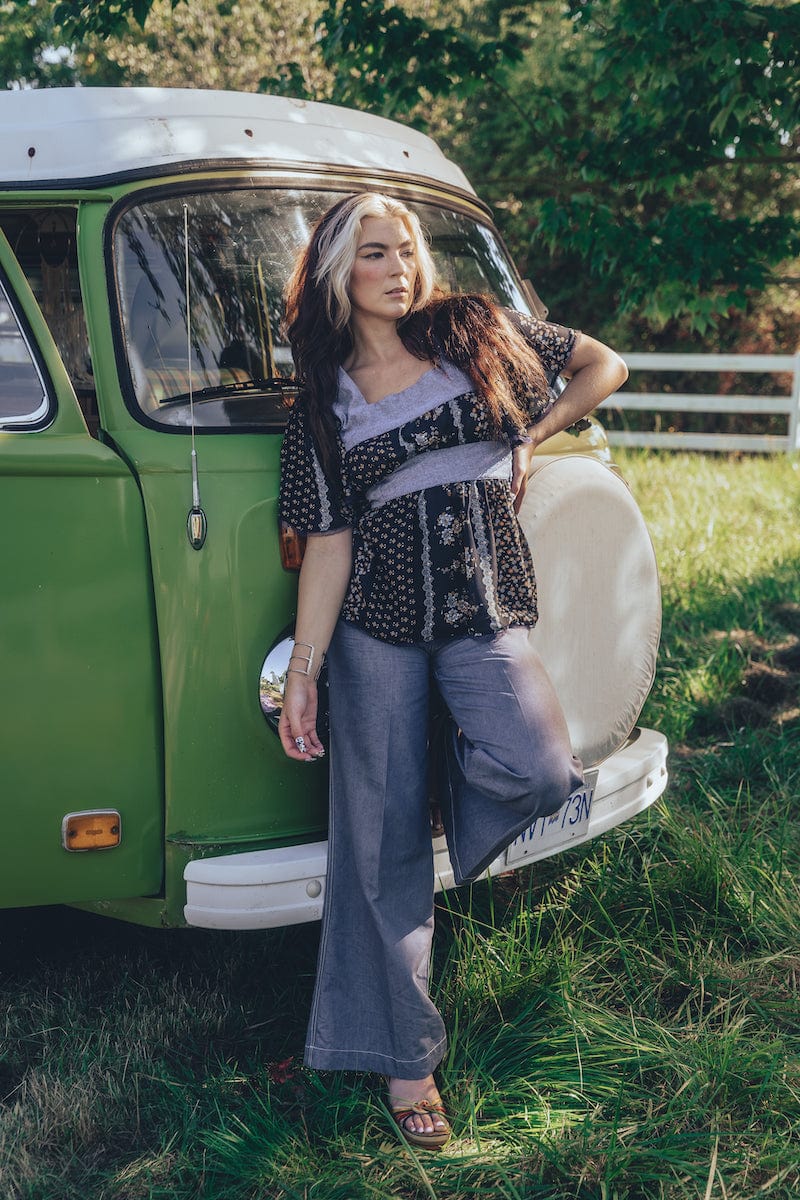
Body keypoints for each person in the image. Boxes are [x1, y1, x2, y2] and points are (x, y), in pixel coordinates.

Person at [277, 192, 628, 1150]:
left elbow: (604, 363)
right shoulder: (324, 399)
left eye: (408, 251)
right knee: (376, 847)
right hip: (375, 627)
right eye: (376, 254)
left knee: (541, 765)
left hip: (481, 612)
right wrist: (306, 669)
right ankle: (405, 1060)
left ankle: (427, 810)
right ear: (340, 274)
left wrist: (530, 431)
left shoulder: (476, 333)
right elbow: (329, 542)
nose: (400, 268)